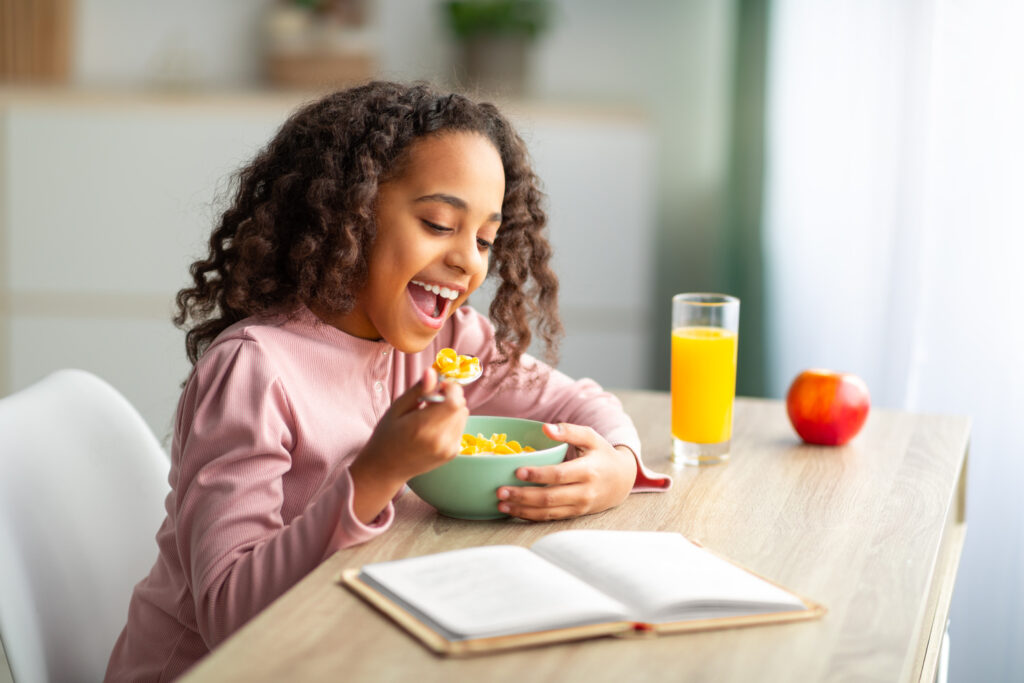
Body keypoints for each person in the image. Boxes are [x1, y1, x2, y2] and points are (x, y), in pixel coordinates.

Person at [104, 81, 670, 681]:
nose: (469, 262)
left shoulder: (446, 339)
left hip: (342, 649)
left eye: (484, 239)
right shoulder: (254, 371)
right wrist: (377, 472)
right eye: (437, 223)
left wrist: (618, 466)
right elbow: (229, 613)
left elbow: (576, 402)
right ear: (350, 212)